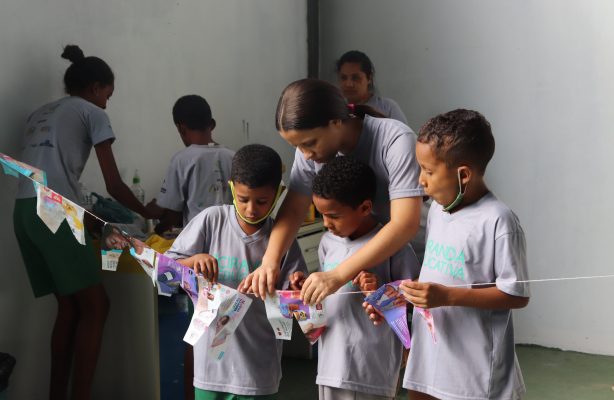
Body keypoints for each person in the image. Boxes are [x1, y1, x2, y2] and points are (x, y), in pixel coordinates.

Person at [12, 44, 154, 400]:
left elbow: (50, 174)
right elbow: (114, 183)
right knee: (97, 306)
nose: (107, 103)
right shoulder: (92, 111)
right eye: (108, 94)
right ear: (95, 88)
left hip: (24, 211)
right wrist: (149, 213)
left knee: (71, 306)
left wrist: (87, 216)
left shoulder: (41, 112)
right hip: (55, 213)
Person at [366, 109, 530, 400]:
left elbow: (516, 294)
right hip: (428, 359)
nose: (421, 180)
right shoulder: (439, 213)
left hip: (475, 374)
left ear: (463, 174)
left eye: (428, 171)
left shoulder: (498, 221)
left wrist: (448, 297)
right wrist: (399, 299)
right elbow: (436, 277)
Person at [242, 78, 423, 304]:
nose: (305, 154)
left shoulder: (396, 140)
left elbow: (404, 224)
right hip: (358, 271)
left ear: (336, 121)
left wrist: (337, 275)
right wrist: (270, 261)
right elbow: (294, 209)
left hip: (405, 266)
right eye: (297, 147)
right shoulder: (310, 153)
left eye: (310, 143)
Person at [165, 144, 307, 400]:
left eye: (262, 201)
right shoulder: (211, 220)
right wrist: (194, 260)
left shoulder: (282, 239)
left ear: (278, 194)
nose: (251, 209)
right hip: (210, 368)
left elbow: (298, 305)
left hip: (257, 371)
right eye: (243, 199)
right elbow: (164, 271)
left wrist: (298, 286)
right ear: (231, 187)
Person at [290, 156, 421, 400]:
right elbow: (326, 298)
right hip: (330, 364)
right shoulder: (328, 242)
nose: (327, 223)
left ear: (364, 208)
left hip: (372, 367)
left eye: (334, 216)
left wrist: (380, 290)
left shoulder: (393, 245)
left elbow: (413, 301)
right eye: (322, 215)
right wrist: (303, 287)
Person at [145, 95, 235, 234]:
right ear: (212, 124)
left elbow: (173, 215)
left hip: (198, 243)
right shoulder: (233, 157)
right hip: (231, 238)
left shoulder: (181, 160)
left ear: (181, 129)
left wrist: (159, 225)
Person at [336, 50, 408, 124]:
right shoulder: (335, 110)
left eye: (355, 78)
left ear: (369, 78)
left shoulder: (388, 108)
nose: (349, 84)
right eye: (343, 78)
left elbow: (403, 134)